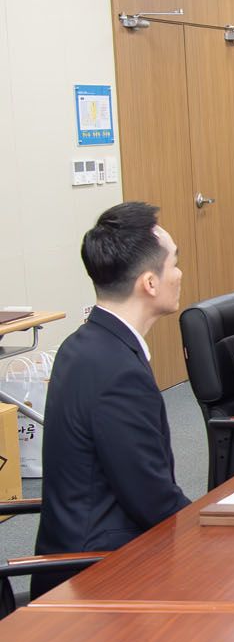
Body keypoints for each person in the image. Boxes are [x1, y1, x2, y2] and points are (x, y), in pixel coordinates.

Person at [33, 202, 191, 595]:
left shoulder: (83, 343)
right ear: (150, 283)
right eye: (174, 264)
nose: (179, 274)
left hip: (79, 551)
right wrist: (217, 531)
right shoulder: (119, 371)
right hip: (100, 574)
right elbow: (152, 501)